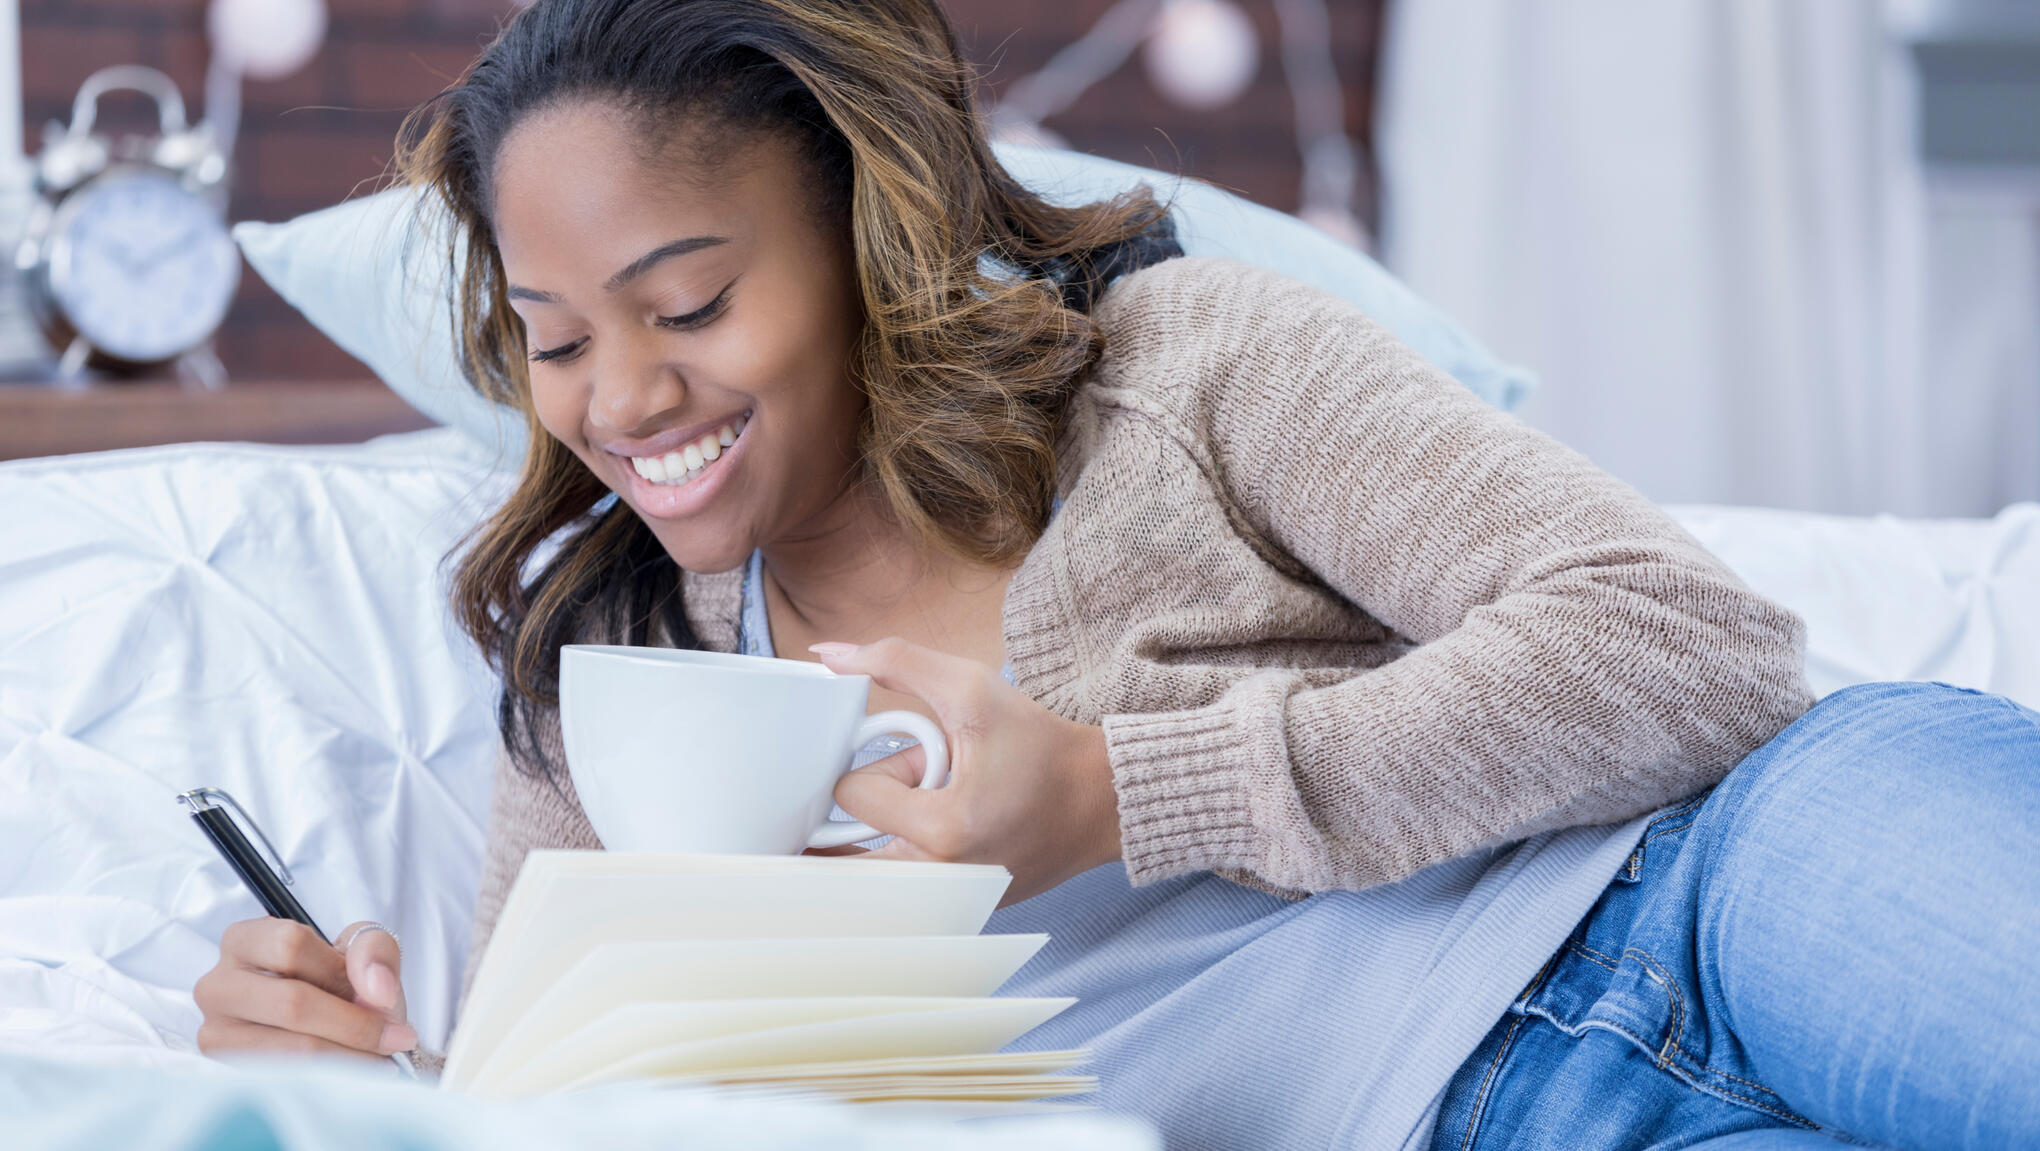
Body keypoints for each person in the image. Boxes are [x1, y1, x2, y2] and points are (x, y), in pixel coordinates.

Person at [190, 1, 2040, 1147]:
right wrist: (374, 1103)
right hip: (1479, 1125)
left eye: (687, 304)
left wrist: (1119, 794)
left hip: (1725, 881)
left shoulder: (1184, 365)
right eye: (554, 337)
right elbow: (594, 1118)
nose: (625, 397)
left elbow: (1689, 644)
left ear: (865, 235)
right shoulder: (611, 676)